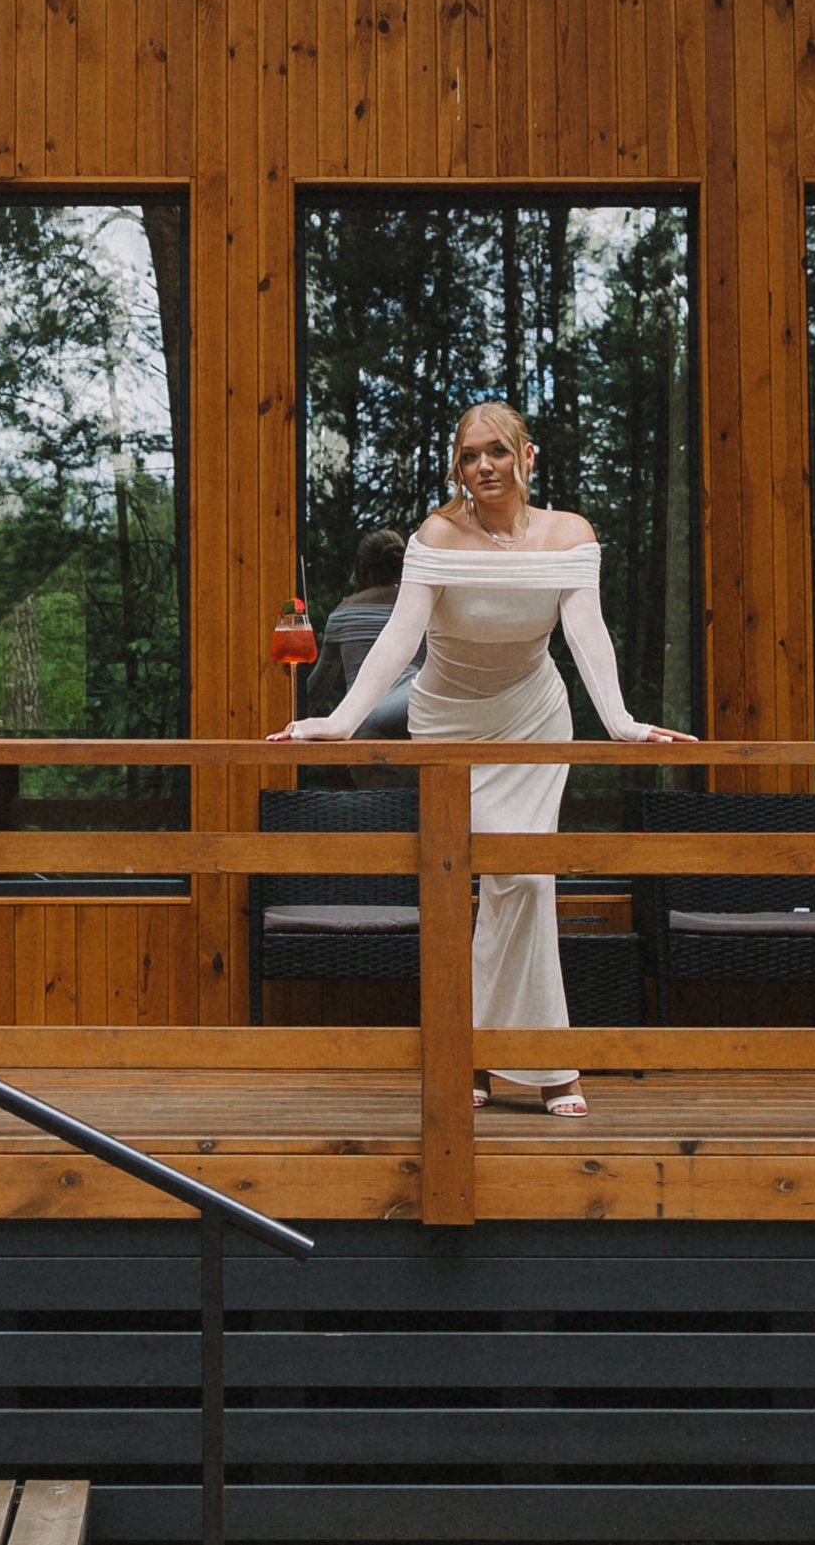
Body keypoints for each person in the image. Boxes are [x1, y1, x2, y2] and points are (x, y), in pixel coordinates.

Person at [267, 402, 692, 1115]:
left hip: (534, 718)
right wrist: (339, 722)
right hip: (450, 721)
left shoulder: (570, 534)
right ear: (457, 468)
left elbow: (587, 633)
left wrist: (620, 722)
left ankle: (508, 1059)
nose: (484, 466)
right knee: (485, 877)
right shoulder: (437, 535)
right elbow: (401, 636)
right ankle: (507, 1061)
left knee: (522, 877)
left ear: (528, 456)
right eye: (469, 455)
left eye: (497, 450)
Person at [307, 529, 411, 721]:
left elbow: (317, 688)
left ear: (362, 568)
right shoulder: (419, 606)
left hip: (364, 718)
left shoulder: (344, 612)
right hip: (416, 714)